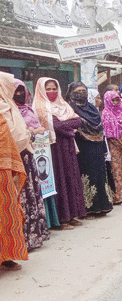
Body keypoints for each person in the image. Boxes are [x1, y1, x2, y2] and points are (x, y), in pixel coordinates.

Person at [2, 75, 48, 250]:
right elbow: (16, 136)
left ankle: (28, 239)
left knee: (27, 199)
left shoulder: (12, 106)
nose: (16, 93)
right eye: (11, 88)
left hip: (23, 157)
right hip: (11, 160)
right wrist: (31, 133)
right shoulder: (3, 107)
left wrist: (29, 133)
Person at [33, 77, 86, 229]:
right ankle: (61, 219)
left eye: (54, 88)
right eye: (48, 89)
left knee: (71, 178)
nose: (51, 92)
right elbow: (57, 127)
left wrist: (65, 126)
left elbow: (78, 121)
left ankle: (72, 215)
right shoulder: (40, 107)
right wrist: (68, 127)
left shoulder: (63, 104)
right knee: (59, 180)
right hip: (53, 148)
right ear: (42, 90)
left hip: (68, 146)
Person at [67, 82, 114, 217]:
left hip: (98, 147)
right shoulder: (70, 109)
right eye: (78, 90)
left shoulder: (92, 108)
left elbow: (101, 129)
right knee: (87, 175)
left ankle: (103, 206)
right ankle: (89, 208)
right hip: (82, 147)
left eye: (84, 90)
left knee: (100, 174)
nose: (81, 93)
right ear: (71, 92)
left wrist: (104, 148)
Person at [0, 113, 28, 271]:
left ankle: (6, 256)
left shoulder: (1, 121)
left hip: (2, 178)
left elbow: (9, 148)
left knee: (5, 217)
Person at [101, 90, 122, 204]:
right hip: (113, 146)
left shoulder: (120, 113)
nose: (115, 102)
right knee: (116, 170)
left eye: (117, 100)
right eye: (113, 100)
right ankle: (118, 196)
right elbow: (108, 134)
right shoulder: (106, 114)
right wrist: (120, 145)